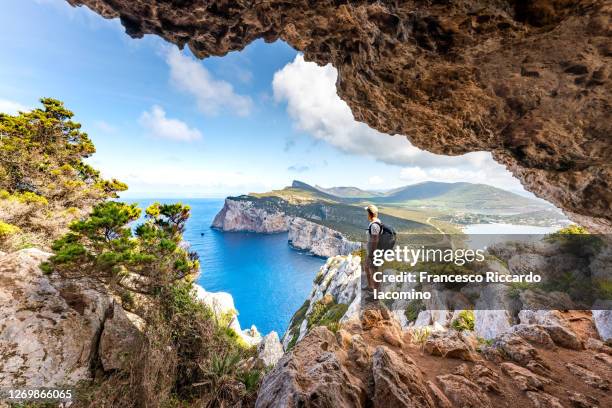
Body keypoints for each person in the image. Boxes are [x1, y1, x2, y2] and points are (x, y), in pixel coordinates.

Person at [364, 204, 381, 296]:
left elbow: (375, 239)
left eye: (367, 213)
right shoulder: (374, 223)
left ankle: (376, 295)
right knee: (366, 267)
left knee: (374, 273)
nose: (367, 215)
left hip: (373, 253)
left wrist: (372, 254)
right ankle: (370, 286)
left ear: (370, 214)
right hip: (370, 252)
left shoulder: (374, 225)